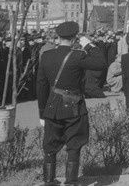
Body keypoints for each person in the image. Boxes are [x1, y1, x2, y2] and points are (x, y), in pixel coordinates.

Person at [36, 21, 106, 186]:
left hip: (52, 107)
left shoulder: (46, 56)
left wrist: (42, 113)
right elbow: (101, 63)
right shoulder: (78, 55)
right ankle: (71, 182)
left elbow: (41, 86)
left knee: (50, 145)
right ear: (75, 37)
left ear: (58, 37)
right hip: (74, 105)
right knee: (74, 144)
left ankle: (49, 181)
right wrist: (88, 44)